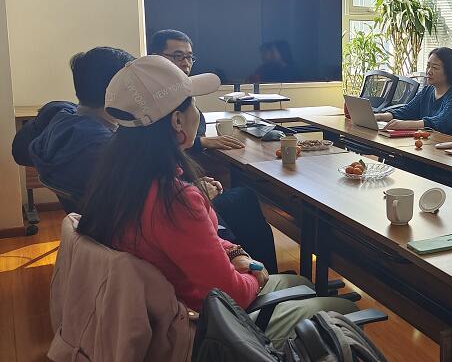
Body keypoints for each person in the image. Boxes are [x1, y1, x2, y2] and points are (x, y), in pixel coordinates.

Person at [77, 55, 357, 345]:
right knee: (342, 310)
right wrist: (256, 276)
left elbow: (192, 243)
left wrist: (235, 252)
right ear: (177, 121)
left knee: (298, 283)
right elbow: (232, 294)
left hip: (169, 310)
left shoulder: (119, 180)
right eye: (193, 104)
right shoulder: (174, 201)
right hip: (204, 326)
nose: (197, 112)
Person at [148, 28, 278, 273]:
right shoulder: (157, 106)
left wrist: (192, 182)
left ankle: (263, 271)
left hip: (179, 193)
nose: (185, 63)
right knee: (243, 200)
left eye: (189, 57)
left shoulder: (157, 104)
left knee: (242, 197)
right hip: (178, 205)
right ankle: (265, 277)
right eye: (177, 56)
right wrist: (193, 189)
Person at [27, 47, 135, 210]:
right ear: (119, 90)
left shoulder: (61, 122)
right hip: (117, 222)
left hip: (88, 220)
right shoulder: (104, 149)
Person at [374, 47, 452, 139]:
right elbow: (407, 111)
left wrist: (403, 124)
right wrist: (379, 117)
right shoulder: (427, 91)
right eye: (428, 66)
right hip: (432, 144)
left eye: (435, 68)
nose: (429, 71)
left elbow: (441, 122)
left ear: (449, 71)